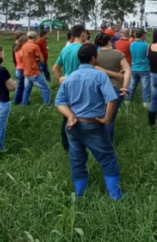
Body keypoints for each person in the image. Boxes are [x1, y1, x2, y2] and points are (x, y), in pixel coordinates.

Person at [55, 44, 123, 200]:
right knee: (107, 158)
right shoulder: (99, 76)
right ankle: (115, 195)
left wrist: (70, 115)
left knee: (77, 159)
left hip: (73, 126)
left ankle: (80, 194)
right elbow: (111, 99)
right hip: (93, 124)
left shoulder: (70, 77)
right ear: (94, 59)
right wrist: (106, 119)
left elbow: (60, 102)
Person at [54, 25, 90, 153]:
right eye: (85, 33)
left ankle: (66, 145)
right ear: (82, 34)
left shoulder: (65, 49)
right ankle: (81, 145)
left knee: (67, 116)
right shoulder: (84, 49)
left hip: (67, 86)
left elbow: (55, 68)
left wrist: (60, 81)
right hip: (81, 86)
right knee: (83, 115)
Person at [94, 33, 131, 143]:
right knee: (109, 119)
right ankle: (107, 143)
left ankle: (97, 142)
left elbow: (93, 68)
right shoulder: (118, 54)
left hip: (97, 88)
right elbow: (128, 70)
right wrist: (124, 86)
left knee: (97, 116)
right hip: (115, 88)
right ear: (110, 41)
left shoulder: (94, 55)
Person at [21, 31, 51, 106]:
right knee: (45, 89)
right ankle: (46, 105)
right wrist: (36, 59)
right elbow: (41, 59)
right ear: (35, 37)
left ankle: (24, 104)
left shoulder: (23, 46)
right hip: (34, 72)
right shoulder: (35, 46)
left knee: (27, 89)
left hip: (26, 71)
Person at [127, 28, 151, 108]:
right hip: (144, 68)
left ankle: (127, 101)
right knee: (145, 87)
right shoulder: (146, 45)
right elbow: (148, 56)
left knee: (132, 86)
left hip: (134, 68)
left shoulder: (131, 44)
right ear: (143, 35)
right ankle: (146, 104)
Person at [12, 33, 27, 105]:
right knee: (21, 87)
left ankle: (19, 101)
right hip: (22, 69)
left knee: (20, 86)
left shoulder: (16, 49)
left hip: (18, 68)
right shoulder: (22, 50)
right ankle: (17, 101)